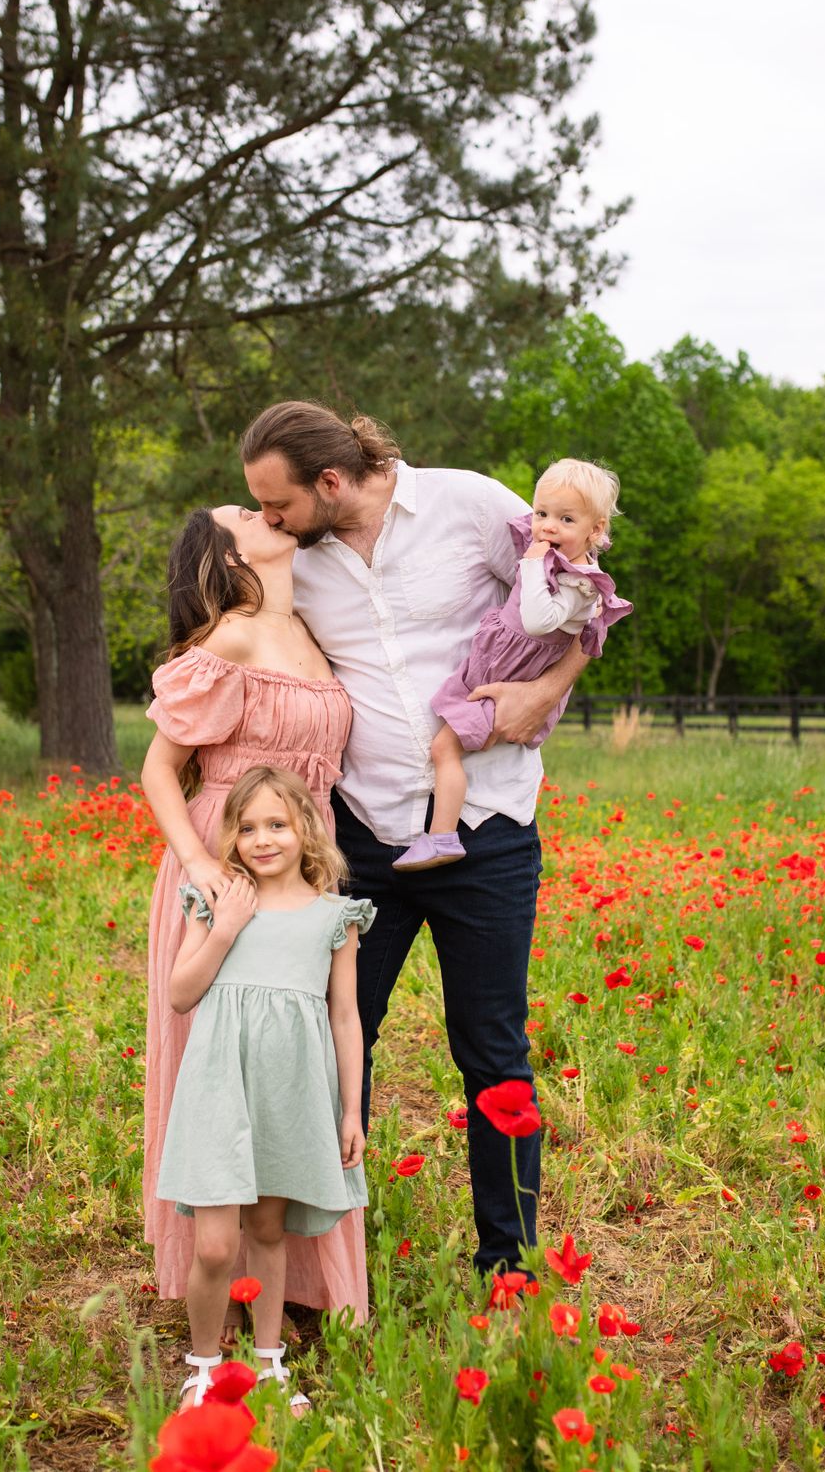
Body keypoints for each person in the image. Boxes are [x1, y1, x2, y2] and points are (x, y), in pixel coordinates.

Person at [241, 400, 594, 1278]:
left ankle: (506, 1267)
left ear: (331, 481)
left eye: (278, 502)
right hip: (366, 837)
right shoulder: (295, 562)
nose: (269, 519)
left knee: (492, 1047)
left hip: (490, 828)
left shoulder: (470, 504)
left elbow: (581, 591)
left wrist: (550, 689)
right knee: (332, 1028)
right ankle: (314, 1267)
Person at [140, 505, 369, 1333]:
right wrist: (202, 867)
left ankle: (291, 1278)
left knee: (294, 1047)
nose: (261, 507)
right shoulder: (230, 637)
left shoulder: (309, 629)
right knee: (218, 1050)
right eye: (242, 511)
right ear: (229, 552)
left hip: (301, 855)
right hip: (226, 858)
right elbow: (159, 771)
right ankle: (216, 1271)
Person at [162, 766, 373, 1409]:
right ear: (231, 836)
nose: (262, 839)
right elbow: (179, 994)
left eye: (277, 824)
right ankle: (203, 1366)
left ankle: (267, 1362)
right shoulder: (218, 899)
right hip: (221, 1084)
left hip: (290, 1091)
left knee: (268, 1231)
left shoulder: (334, 917)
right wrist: (225, 926)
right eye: (247, 827)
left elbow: (345, 1017)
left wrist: (349, 1110)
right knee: (218, 1242)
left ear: (305, 829)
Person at [394, 457, 632, 870]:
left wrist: (531, 563)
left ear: (596, 530)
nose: (547, 527)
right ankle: (441, 833)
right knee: (447, 742)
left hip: (510, 675)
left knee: (443, 746)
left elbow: (537, 619)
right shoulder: (555, 557)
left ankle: (442, 836)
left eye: (565, 519)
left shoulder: (579, 582)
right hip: (497, 661)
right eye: (542, 513)